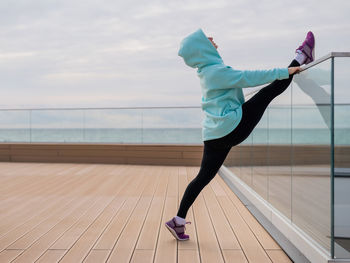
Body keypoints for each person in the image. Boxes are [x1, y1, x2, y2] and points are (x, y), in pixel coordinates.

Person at [165, 28, 315, 241]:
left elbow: (236, 82)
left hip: (213, 134)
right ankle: (301, 56)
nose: (212, 39)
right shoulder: (215, 71)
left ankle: (178, 221)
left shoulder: (207, 71)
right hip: (231, 127)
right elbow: (248, 77)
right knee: (267, 92)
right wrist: (285, 71)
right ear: (202, 48)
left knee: (202, 178)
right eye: (207, 38)